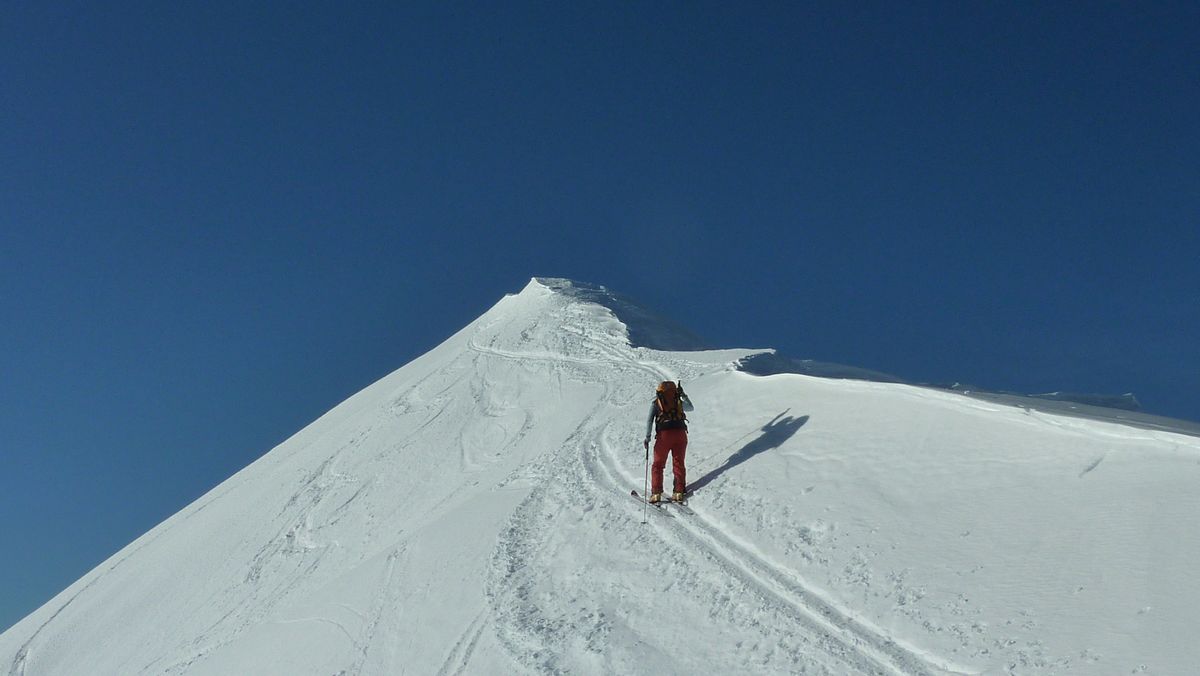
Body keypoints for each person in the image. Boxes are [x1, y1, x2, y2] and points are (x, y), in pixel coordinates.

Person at [643, 381, 694, 503]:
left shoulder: (656, 403)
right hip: (681, 434)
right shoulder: (678, 402)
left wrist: (647, 437)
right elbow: (691, 408)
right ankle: (678, 492)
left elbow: (649, 421)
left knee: (658, 464)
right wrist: (683, 395)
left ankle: (656, 493)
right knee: (678, 462)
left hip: (664, 436)